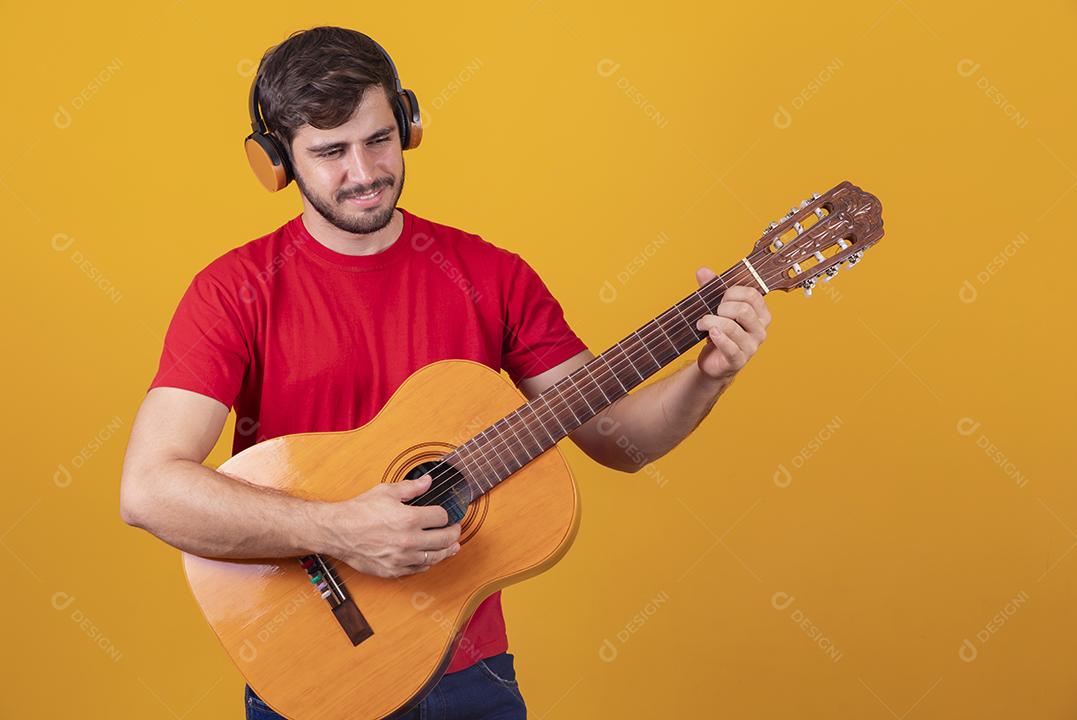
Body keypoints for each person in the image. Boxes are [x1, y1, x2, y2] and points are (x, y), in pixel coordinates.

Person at [119, 25, 772, 720]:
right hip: (315, 672)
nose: (364, 172)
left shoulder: (492, 276)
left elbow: (618, 438)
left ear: (408, 122)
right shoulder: (235, 291)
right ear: (277, 163)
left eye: (377, 139)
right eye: (331, 152)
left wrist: (710, 374)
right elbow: (150, 489)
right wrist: (340, 528)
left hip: (474, 678)